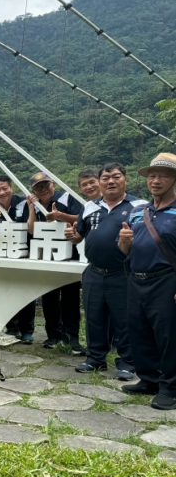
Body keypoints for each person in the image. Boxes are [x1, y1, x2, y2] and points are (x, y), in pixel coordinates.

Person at [66, 163, 145, 381]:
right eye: (106, 178)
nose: (110, 181)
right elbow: (79, 234)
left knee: (125, 319)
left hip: (124, 272)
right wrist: (72, 236)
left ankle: (128, 363)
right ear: (100, 182)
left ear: (125, 179)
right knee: (94, 317)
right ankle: (95, 359)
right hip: (93, 271)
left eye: (116, 177)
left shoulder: (139, 206)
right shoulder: (90, 206)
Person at [118, 154, 176, 410]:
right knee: (139, 331)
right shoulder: (137, 212)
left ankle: (171, 387)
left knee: (169, 336)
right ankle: (149, 379)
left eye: (163, 175)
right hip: (136, 279)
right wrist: (124, 241)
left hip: (167, 280)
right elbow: (123, 250)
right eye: (152, 175)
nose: (156, 180)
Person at [23, 172, 85, 355]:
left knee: (70, 299)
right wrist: (32, 208)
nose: (42, 190)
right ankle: (53, 336)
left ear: (53, 185)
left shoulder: (66, 198)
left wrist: (60, 216)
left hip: (69, 256)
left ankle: (72, 338)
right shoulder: (34, 204)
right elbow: (32, 230)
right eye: (37, 187)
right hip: (46, 257)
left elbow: (82, 219)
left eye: (45, 185)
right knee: (49, 299)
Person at [0, 175, 35, 343]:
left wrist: (32, 208)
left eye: (5, 188)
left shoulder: (23, 202)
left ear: (11, 188)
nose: (2, 192)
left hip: (25, 253)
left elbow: (31, 228)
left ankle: (27, 330)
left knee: (26, 291)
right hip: (3, 255)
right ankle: (11, 327)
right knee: (6, 290)